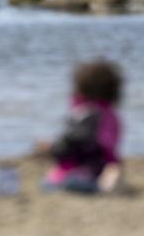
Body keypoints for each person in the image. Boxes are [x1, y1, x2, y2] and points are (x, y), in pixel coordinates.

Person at [40, 60, 124, 194]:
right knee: (112, 171)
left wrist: (51, 148)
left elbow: (70, 143)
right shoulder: (109, 115)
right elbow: (107, 146)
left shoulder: (82, 112)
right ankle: (100, 186)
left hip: (72, 170)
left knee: (53, 178)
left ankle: (68, 183)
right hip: (95, 169)